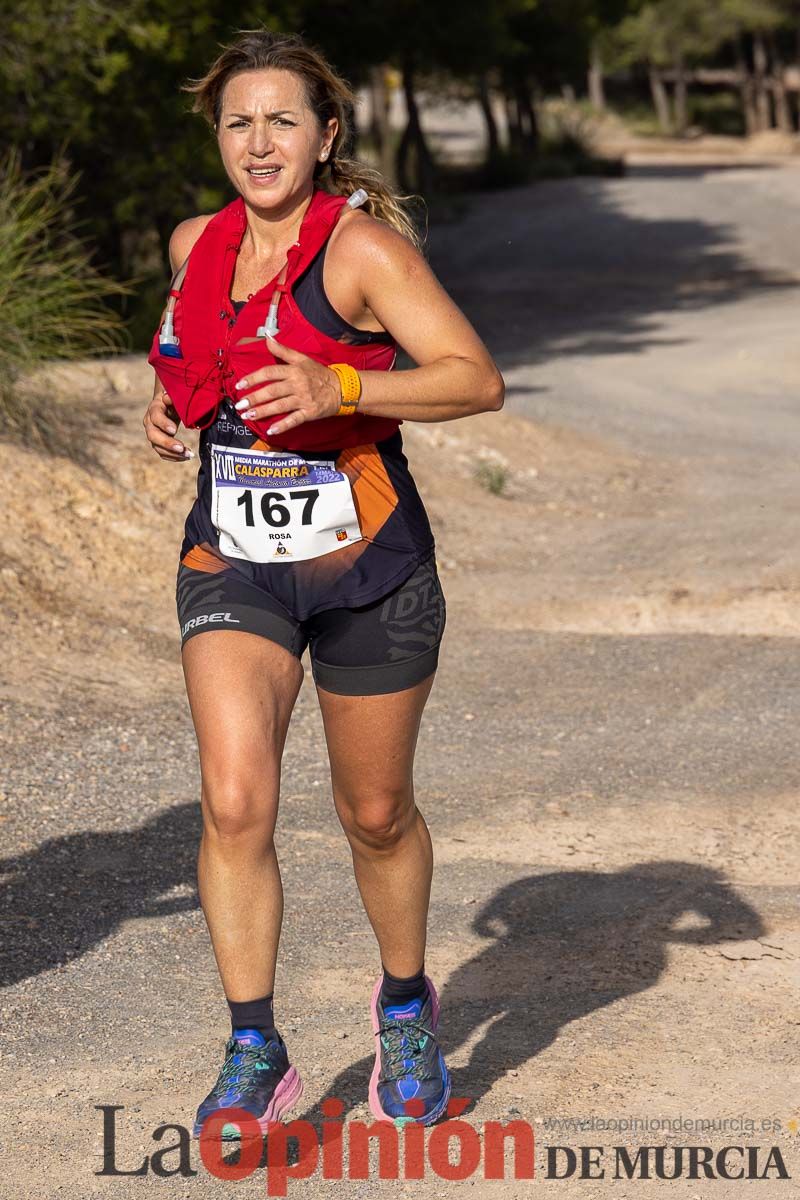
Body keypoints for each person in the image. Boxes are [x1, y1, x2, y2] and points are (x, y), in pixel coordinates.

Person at [143, 29, 504, 1137]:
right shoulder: (192, 243)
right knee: (234, 798)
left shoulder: (361, 254)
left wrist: (342, 378)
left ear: (325, 135)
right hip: (235, 558)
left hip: (367, 567)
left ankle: (403, 1005)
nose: (260, 143)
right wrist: (167, 406)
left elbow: (475, 379)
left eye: (283, 121)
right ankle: (255, 1047)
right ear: (217, 136)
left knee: (375, 812)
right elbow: (193, 362)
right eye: (238, 122)